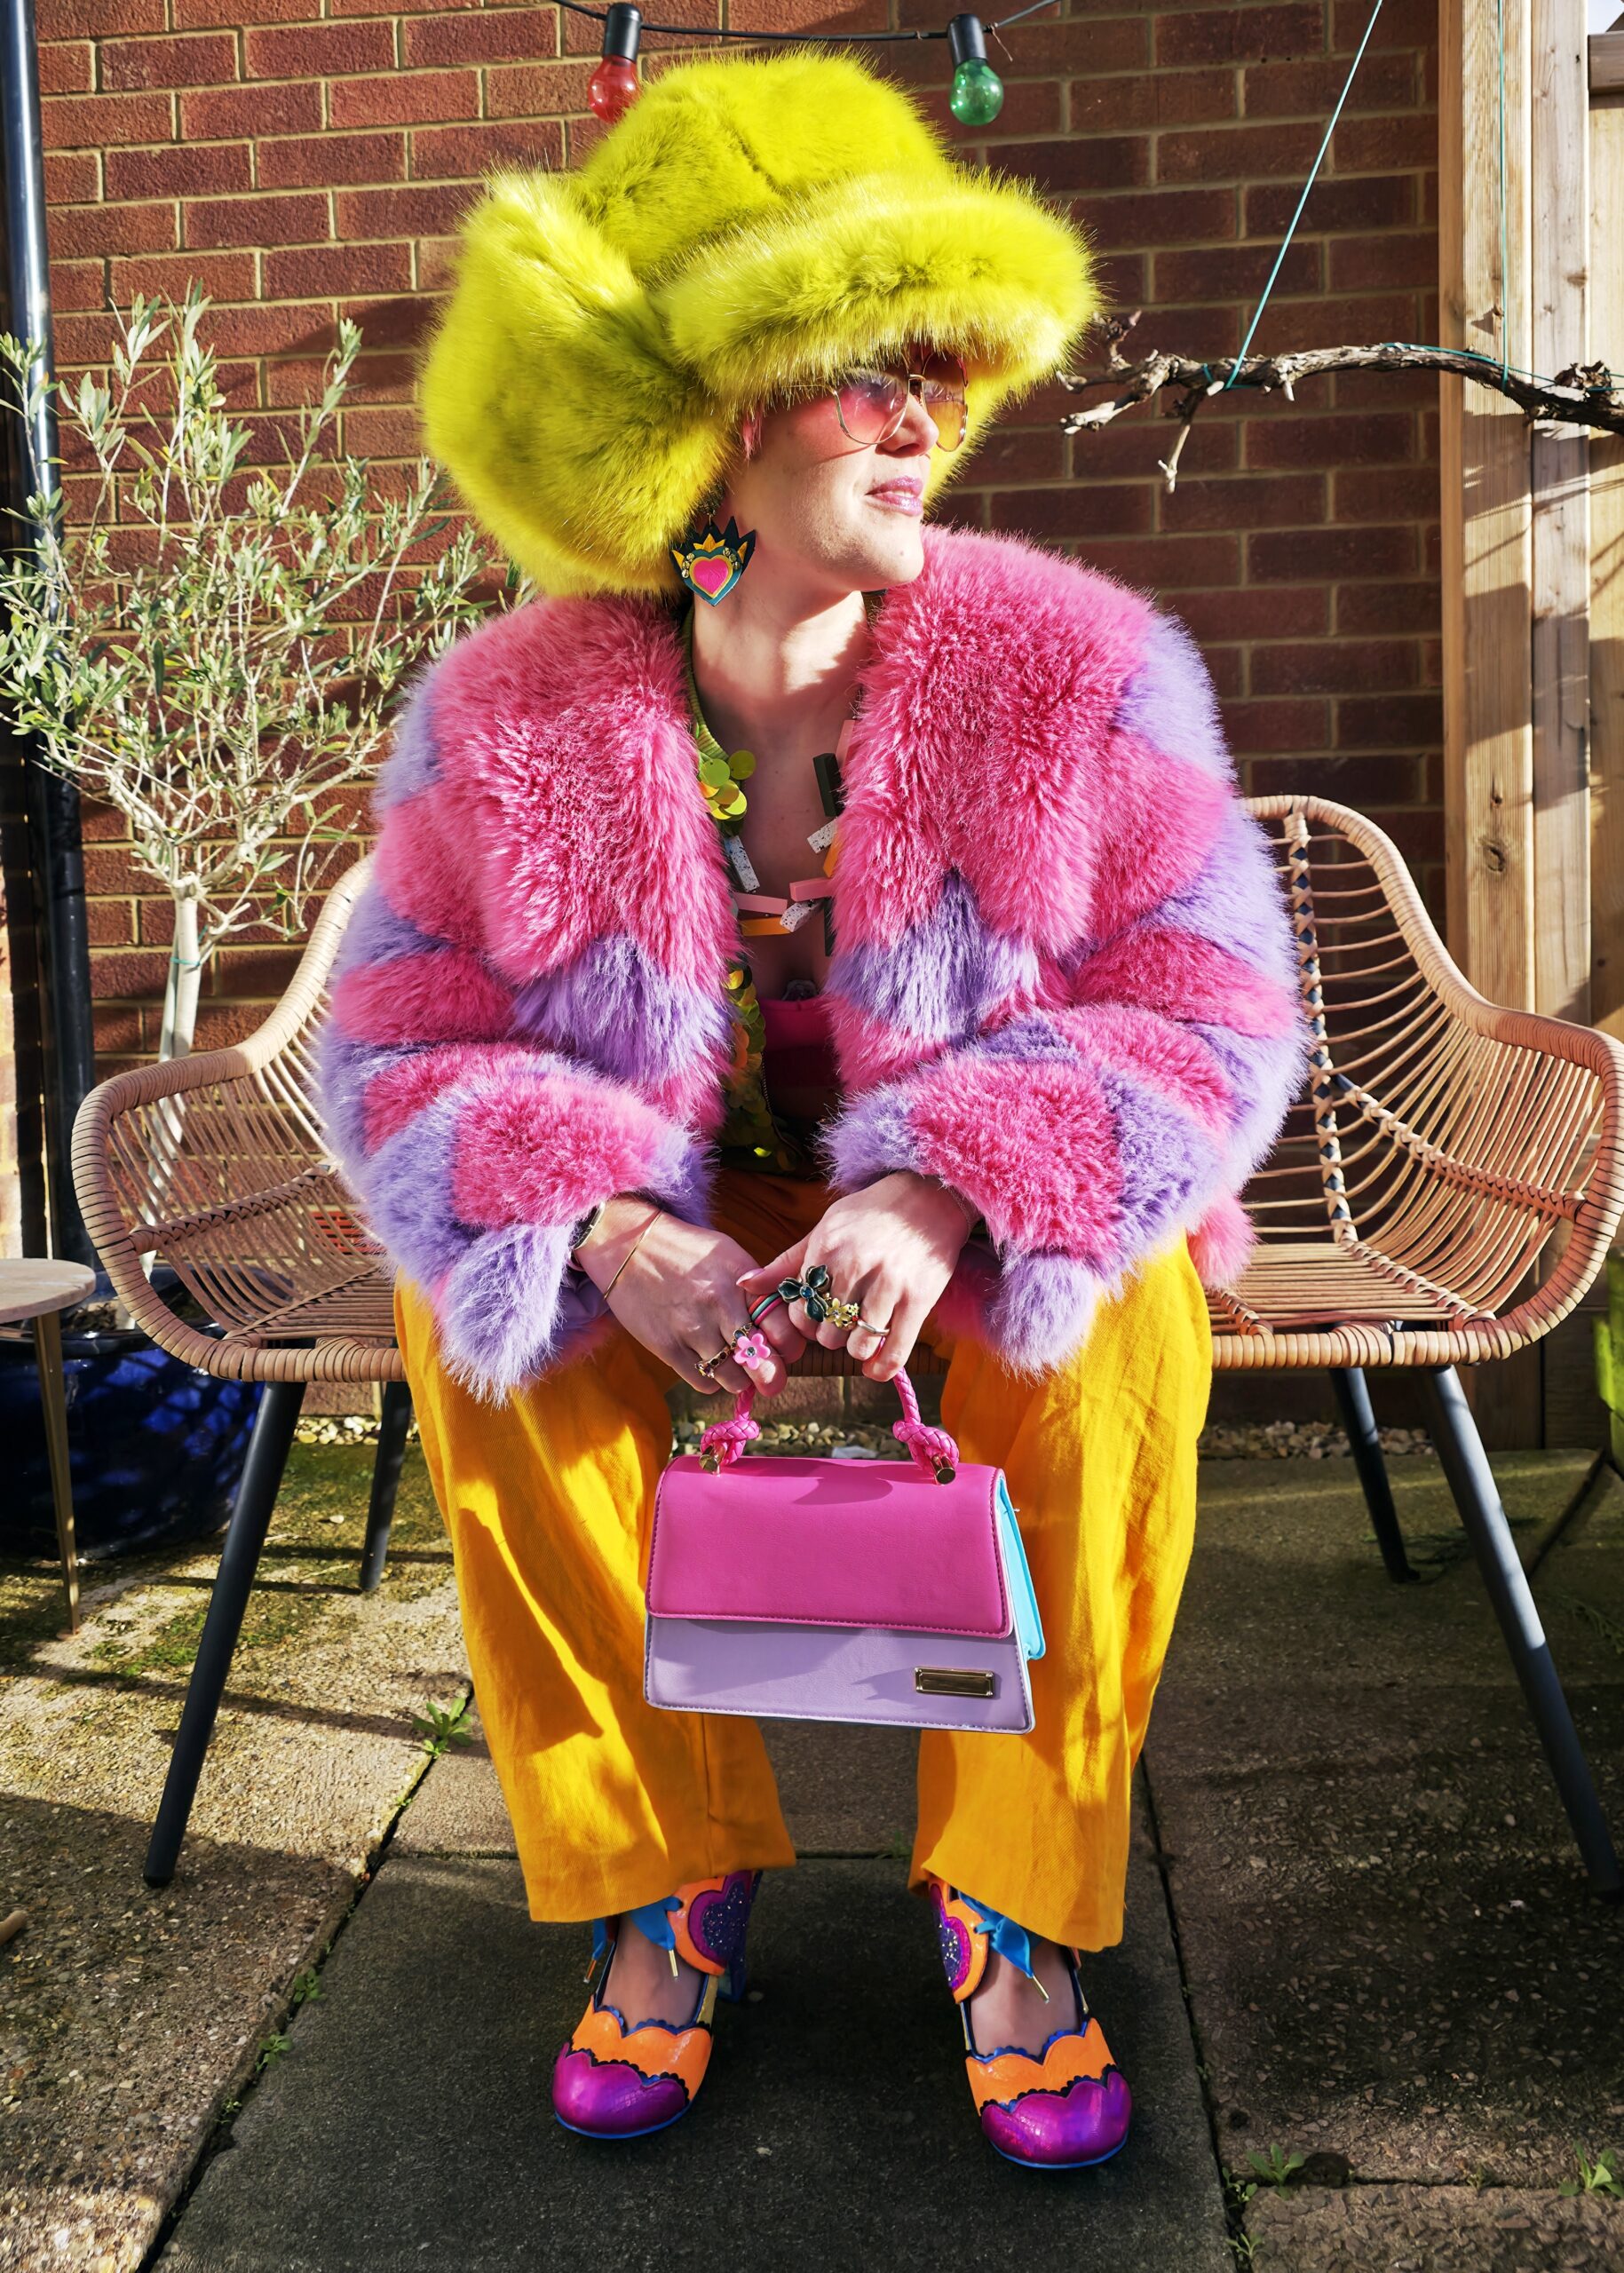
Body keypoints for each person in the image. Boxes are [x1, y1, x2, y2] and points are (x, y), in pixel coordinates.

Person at [314, 49, 1308, 2170]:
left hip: (962, 1213)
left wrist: (957, 1183)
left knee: (1120, 1326)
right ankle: (669, 1871)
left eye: (944, 362)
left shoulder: (1075, 665)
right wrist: (601, 1219)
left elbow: (1210, 1005)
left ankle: (1013, 1898)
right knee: (477, 1325)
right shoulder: (513, 713)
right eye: (876, 366)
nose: (927, 409)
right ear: (730, 414)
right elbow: (396, 1036)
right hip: (688, 1213)